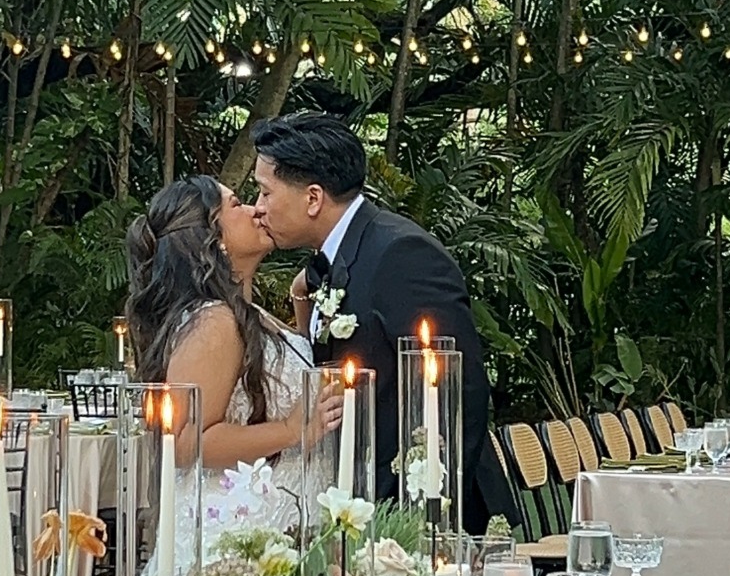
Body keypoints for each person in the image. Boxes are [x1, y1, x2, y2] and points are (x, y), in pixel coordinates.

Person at [251, 112, 515, 532]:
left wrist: (426, 516)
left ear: (313, 198)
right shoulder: (334, 260)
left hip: (426, 509)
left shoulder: (401, 255)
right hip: (366, 502)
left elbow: (458, 389)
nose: (258, 207)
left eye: (265, 192)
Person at [125, 175, 332, 539]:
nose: (257, 210)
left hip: (278, 525)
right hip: (235, 536)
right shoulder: (214, 322)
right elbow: (185, 443)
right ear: (212, 237)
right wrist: (290, 431)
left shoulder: (248, 314)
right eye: (237, 204)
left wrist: (301, 295)